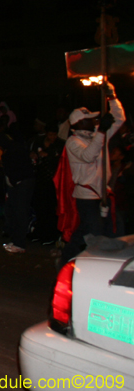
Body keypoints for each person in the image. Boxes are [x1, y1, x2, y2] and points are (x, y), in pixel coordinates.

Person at [57, 82, 125, 265]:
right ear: (79, 123)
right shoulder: (73, 142)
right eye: (90, 119)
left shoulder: (97, 134)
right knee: (93, 234)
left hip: (104, 192)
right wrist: (102, 131)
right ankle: (69, 262)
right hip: (87, 197)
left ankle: (108, 264)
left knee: (114, 230)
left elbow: (119, 119)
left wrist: (112, 97)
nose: (95, 121)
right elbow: (88, 156)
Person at [0, 132, 36, 254]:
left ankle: (20, 244)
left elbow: (14, 169)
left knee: (20, 213)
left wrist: (1, 165)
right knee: (14, 211)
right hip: (18, 184)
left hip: (21, 184)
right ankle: (16, 240)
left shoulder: (12, 150)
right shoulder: (14, 147)